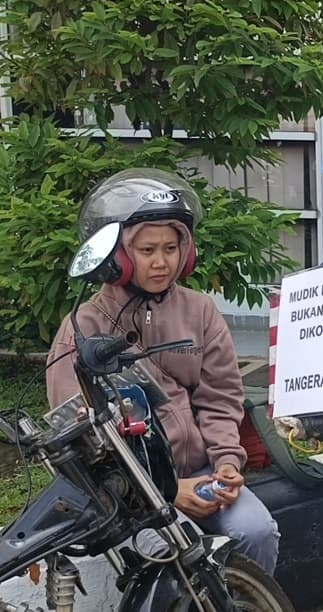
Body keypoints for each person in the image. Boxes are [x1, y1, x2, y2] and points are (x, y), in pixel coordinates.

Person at [46, 168, 281, 574]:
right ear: (118, 257)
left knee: (256, 531)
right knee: (175, 559)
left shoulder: (200, 311)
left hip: (206, 471)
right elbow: (78, 438)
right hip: (134, 492)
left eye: (171, 249)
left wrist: (227, 463)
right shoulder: (83, 330)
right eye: (147, 250)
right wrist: (167, 493)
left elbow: (221, 396)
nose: (161, 262)